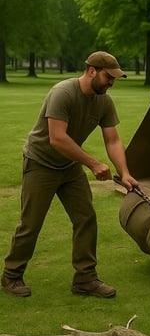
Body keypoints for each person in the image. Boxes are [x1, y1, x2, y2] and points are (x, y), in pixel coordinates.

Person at [1, 51, 140, 298]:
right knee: (31, 223)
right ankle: (11, 275)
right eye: (109, 77)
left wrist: (125, 173)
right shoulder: (63, 93)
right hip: (40, 163)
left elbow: (113, 140)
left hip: (69, 167)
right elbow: (57, 139)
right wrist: (93, 163)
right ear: (91, 71)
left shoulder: (104, 101)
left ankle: (85, 279)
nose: (111, 83)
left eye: (115, 79)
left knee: (86, 218)